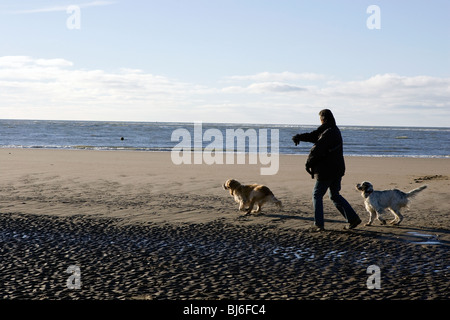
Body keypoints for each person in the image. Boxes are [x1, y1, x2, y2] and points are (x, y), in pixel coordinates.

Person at [292, 109, 361, 232]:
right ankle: (352, 219)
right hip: (337, 169)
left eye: (320, 119)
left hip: (327, 170)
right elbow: (314, 136)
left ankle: (318, 224)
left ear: (323, 119)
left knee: (317, 195)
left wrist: (308, 164)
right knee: (334, 195)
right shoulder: (331, 130)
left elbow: (317, 149)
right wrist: (299, 137)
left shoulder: (329, 132)